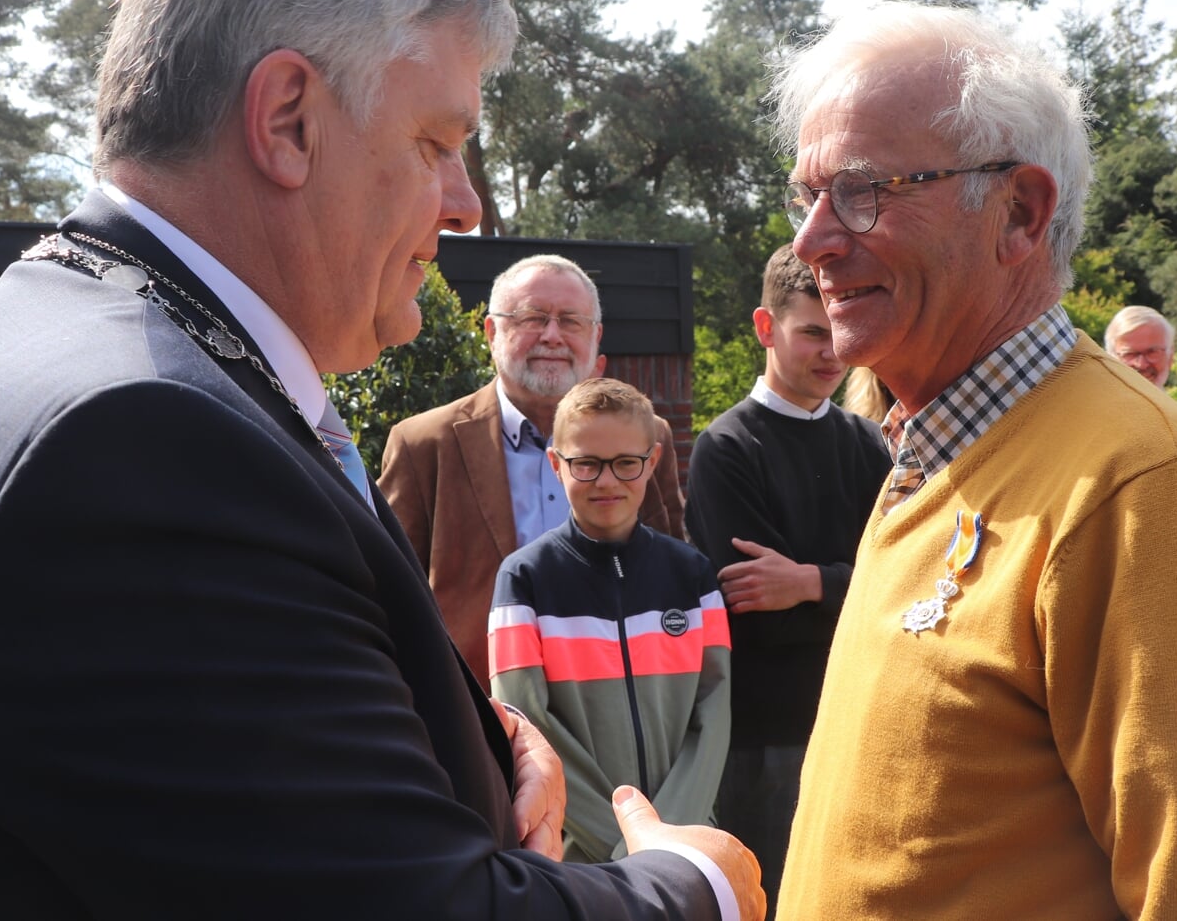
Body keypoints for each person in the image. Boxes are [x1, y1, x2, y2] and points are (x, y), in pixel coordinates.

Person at [0, 0, 761, 921]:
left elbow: (220, 749)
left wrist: (474, 749)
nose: (466, 205)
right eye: (437, 145)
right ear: (287, 120)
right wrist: (694, 884)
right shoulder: (140, 439)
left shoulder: (91, 334)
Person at [771, 1, 1177, 920]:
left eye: (861, 190)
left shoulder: (1151, 490)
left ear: (1019, 212)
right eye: (806, 196)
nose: (812, 240)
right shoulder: (936, 450)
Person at [683, 244, 888, 912]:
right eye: (811, 333)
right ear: (766, 328)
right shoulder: (726, 449)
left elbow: (907, 586)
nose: (832, 353)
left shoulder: (868, 445)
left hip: (861, 718)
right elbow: (757, 613)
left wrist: (808, 583)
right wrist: (850, 585)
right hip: (764, 739)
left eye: (839, 334)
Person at [380, 254, 686, 689]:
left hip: (620, 701)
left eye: (571, 321)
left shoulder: (649, 437)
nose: (552, 336)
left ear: (596, 337)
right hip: (479, 711)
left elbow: (670, 571)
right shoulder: (423, 444)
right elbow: (388, 591)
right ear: (491, 332)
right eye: (532, 318)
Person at [490, 378, 730, 865]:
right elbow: (528, 723)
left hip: (684, 844)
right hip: (581, 856)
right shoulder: (523, 579)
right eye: (586, 464)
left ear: (654, 462)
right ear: (557, 464)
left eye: (626, 463)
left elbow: (713, 713)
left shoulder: (692, 574)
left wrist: (666, 840)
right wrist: (629, 852)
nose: (606, 481)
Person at [1103, 304, 1175, 387]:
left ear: (1170, 356)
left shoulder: (1169, 400)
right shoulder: (1091, 399)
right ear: (1110, 358)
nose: (1141, 364)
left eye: (1152, 352)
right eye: (1130, 354)